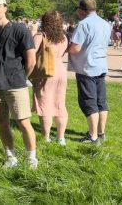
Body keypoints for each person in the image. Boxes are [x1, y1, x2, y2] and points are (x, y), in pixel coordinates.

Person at [0, 0, 38, 169]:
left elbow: (31, 61)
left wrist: (20, 77)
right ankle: (10, 156)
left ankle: (31, 158)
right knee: (2, 121)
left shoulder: (20, 30)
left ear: (5, 7)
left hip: (16, 84)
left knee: (23, 121)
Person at [67, 0, 111, 145]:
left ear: (82, 10)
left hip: (87, 68)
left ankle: (93, 137)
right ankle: (100, 132)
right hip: (100, 65)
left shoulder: (83, 24)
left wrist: (66, 48)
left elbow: (75, 48)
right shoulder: (105, 24)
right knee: (101, 102)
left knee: (89, 102)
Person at [31, 11, 69, 146]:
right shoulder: (64, 38)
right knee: (60, 105)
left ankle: (46, 138)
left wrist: (32, 32)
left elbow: (30, 53)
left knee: (45, 104)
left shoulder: (40, 36)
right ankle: (61, 138)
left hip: (46, 72)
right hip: (61, 71)